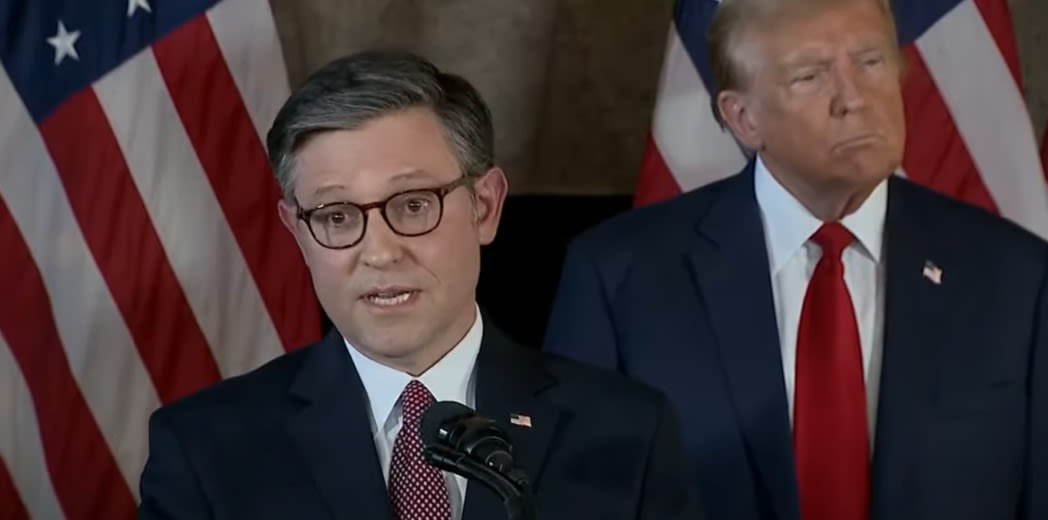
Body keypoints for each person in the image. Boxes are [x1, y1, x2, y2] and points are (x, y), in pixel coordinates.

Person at [135, 49, 703, 520]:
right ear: (297, 233)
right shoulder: (205, 450)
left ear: (484, 207)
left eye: (412, 205)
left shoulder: (627, 430)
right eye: (337, 216)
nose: (380, 252)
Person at [543, 0, 1047, 519]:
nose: (854, 98)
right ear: (743, 118)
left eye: (871, 62)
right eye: (810, 76)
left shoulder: (1016, 277)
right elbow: (578, 498)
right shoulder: (618, 277)